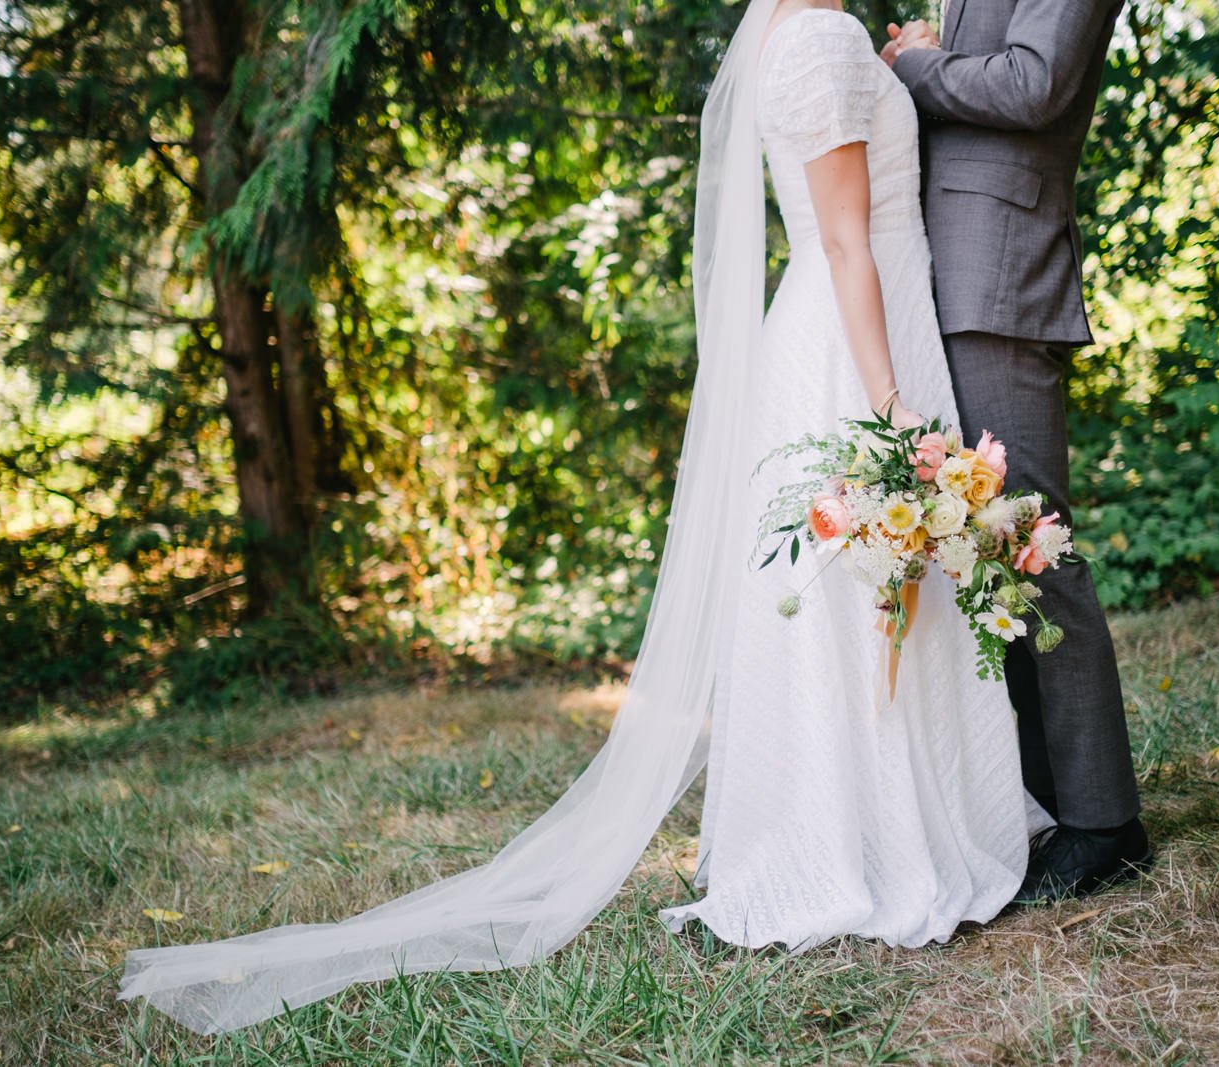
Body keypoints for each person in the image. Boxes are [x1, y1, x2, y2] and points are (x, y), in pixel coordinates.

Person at [116, 0, 1049, 1035]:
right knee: (856, 594)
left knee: (856, 595)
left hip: (854, 329)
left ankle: (875, 827)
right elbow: (840, 239)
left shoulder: (805, 35)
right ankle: (858, 846)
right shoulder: (822, 41)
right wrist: (887, 405)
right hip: (854, 347)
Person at [882, 0, 1154, 902]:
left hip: (1000, 274)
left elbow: (1033, 85)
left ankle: (1104, 822)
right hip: (947, 273)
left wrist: (919, 64)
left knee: (1036, 548)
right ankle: (1038, 798)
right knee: (990, 557)